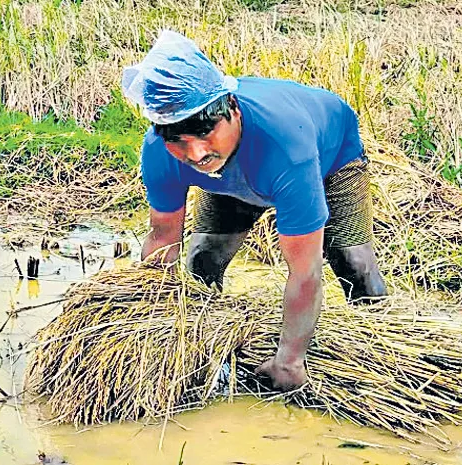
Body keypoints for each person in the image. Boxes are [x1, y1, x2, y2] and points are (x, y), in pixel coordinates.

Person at [121, 30, 387, 391]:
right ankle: (206, 342)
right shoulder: (159, 153)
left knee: (353, 261)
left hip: (331, 157)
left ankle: (376, 343)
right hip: (234, 174)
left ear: (232, 108)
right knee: (202, 260)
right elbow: (163, 242)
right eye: (178, 141)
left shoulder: (287, 150)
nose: (196, 154)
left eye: (206, 132)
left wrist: (289, 361)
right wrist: (155, 327)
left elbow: (304, 270)